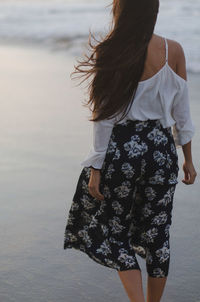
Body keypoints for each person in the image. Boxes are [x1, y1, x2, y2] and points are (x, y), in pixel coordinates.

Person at [63, 1, 197, 301]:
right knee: (158, 234)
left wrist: (96, 166)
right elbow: (182, 115)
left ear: (120, 11)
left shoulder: (111, 50)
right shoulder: (172, 50)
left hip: (122, 151)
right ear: (153, 12)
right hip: (161, 151)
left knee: (116, 230)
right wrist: (188, 159)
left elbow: (104, 116)